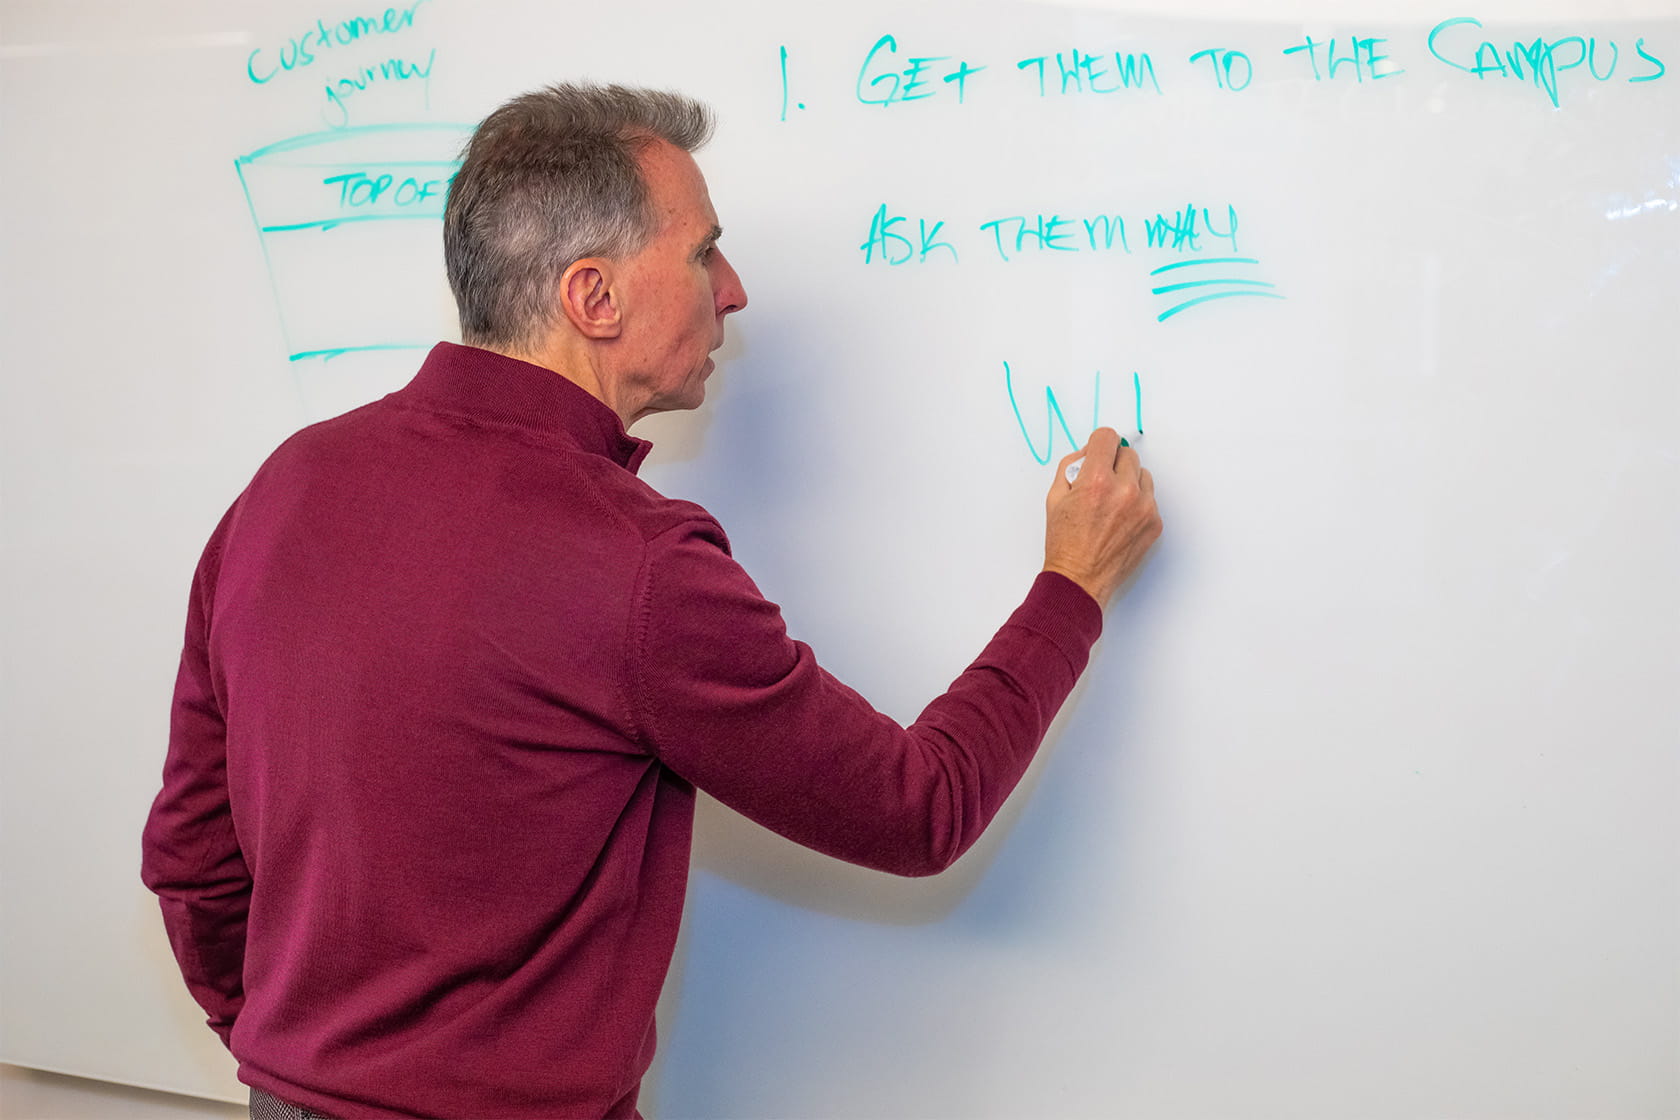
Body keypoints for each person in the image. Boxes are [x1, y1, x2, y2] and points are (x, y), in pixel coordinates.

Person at [141, 83, 1161, 1120]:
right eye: (702, 251)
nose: (734, 289)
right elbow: (918, 809)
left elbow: (191, 858)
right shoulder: (632, 563)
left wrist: (313, 1069)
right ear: (594, 297)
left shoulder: (289, 484)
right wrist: (1070, 589)